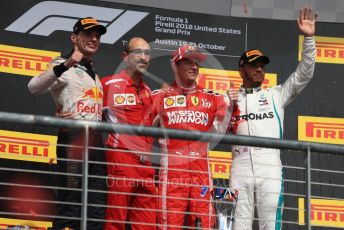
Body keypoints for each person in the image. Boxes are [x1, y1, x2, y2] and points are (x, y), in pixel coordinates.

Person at [227, 7, 316, 230]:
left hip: (270, 166)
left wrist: (309, 38)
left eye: (262, 65)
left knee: (270, 226)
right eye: (253, 65)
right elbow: (217, 130)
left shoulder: (276, 94)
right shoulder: (230, 98)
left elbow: (304, 73)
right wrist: (228, 106)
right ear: (242, 69)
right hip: (239, 167)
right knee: (238, 226)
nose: (259, 69)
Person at [28, 17, 107, 229]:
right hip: (73, 143)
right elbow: (34, 87)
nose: (94, 39)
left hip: (96, 145)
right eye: (88, 34)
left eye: (97, 36)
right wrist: (68, 63)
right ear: (74, 38)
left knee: (96, 207)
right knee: (70, 200)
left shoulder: (96, 76)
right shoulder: (61, 64)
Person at [151, 45, 232, 229]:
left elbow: (224, 127)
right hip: (172, 172)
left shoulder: (213, 97)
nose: (194, 66)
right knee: (169, 225)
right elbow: (139, 128)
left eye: (196, 63)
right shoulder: (160, 96)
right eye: (188, 61)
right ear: (175, 66)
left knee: (204, 223)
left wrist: (231, 104)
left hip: (201, 172)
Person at [101, 37, 157, 230]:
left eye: (147, 53)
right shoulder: (108, 84)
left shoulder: (148, 90)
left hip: (147, 165)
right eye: (138, 53)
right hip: (121, 160)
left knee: (147, 225)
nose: (144, 57)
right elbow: (87, 113)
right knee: (115, 221)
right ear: (125, 57)